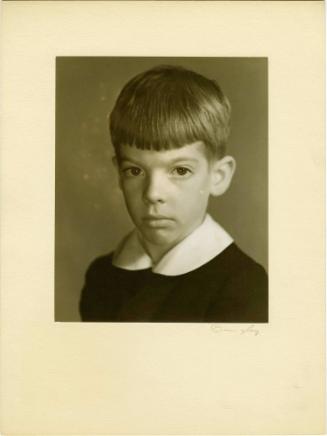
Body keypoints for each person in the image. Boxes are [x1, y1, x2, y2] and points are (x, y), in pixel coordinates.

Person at [79, 65, 268, 322]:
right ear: (119, 175)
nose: (153, 193)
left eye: (180, 170)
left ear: (219, 176)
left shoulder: (243, 287)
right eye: (135, 171)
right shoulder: (101, 277)